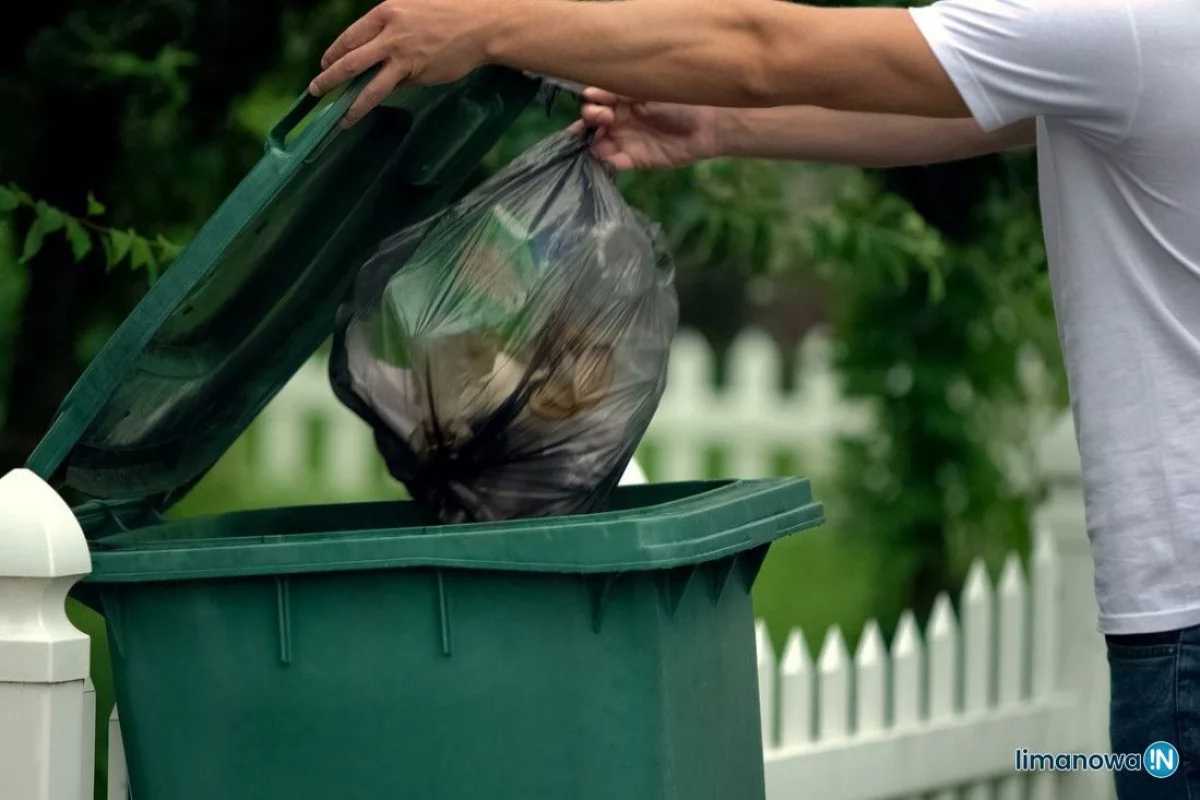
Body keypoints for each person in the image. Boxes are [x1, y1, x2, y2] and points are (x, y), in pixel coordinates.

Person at [309, 1, 1200, 795]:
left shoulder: (1130, 23)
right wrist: (722, 125)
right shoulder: (1143, 44)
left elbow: (765, 43)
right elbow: (988, 111)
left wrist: (490, 24)